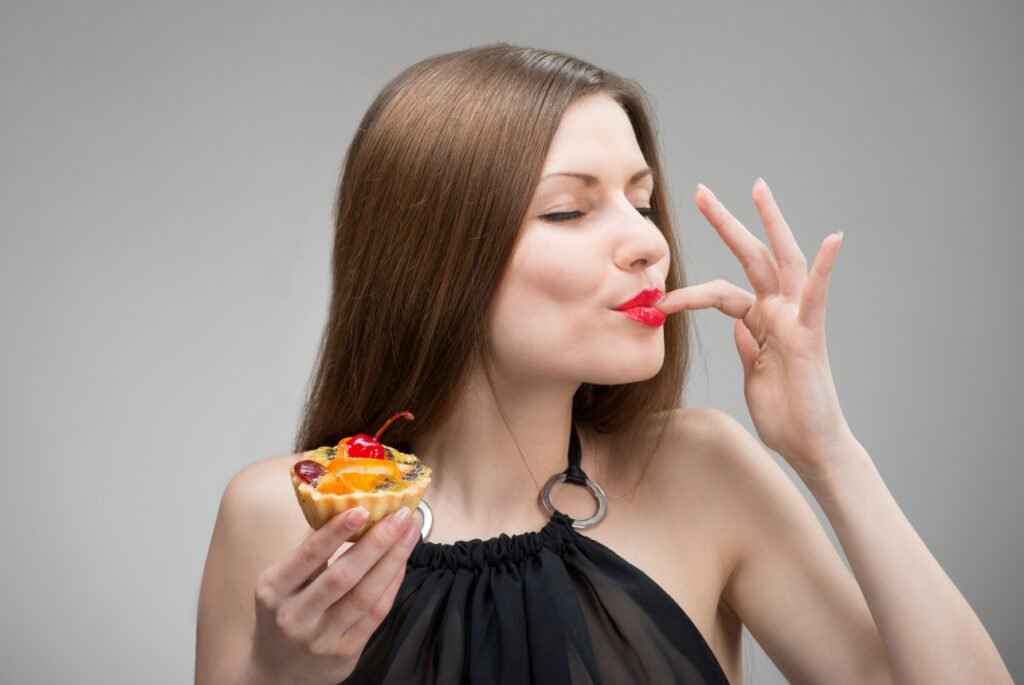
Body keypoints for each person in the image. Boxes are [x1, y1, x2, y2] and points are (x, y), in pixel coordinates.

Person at [195, 43, 1011, 685]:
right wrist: (278, 678)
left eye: (642, 199)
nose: (652, 243)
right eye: (569, 209)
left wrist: (829, 452)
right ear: (433, 259)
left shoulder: (704, 472)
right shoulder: (274, 513)